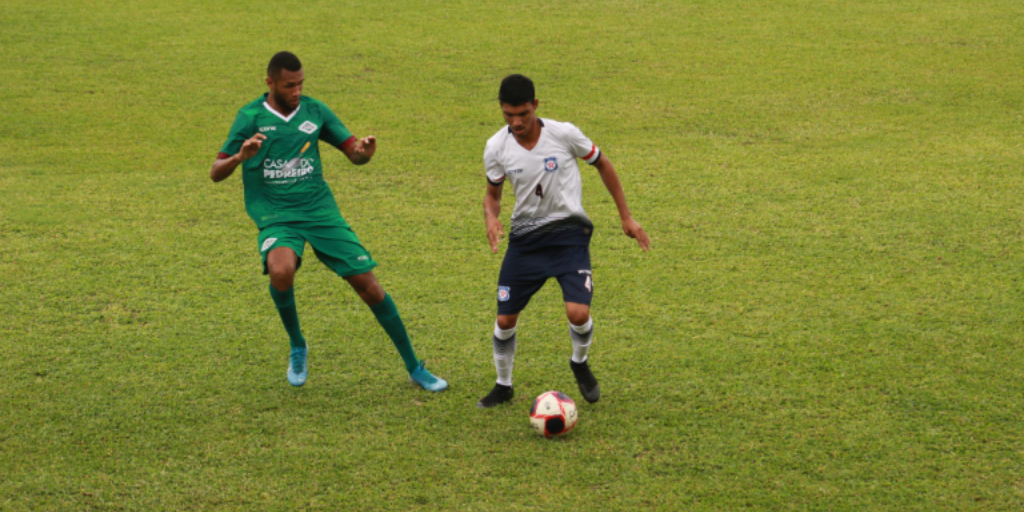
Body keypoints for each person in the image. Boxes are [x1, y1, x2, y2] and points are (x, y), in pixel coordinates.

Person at [210, 51, 447, 391]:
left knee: (369, 286)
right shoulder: (249, 117)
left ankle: (415, 366)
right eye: (289, 85)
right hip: (276, 216)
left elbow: (353, 154)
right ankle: (297, 345)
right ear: (270, 83)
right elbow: (215, 173)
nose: (296, 91)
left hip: (320, 213)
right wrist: (239, 156)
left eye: (301, 83)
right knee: (281, 270)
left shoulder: (315, 111)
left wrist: (364, 152)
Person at [478, 74, 650, 408]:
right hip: (525, 241)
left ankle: (579, 362)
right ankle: (503, 385)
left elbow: (604, 165)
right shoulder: (495, 147)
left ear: (536, 106)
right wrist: (490, 216)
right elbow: (492, 194)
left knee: (577, 312)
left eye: (523, 114)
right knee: (504, 320)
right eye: (508, 115)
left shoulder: (564, 134)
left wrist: (625, 215)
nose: (516, 122)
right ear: (501, 109)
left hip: (569, 236)